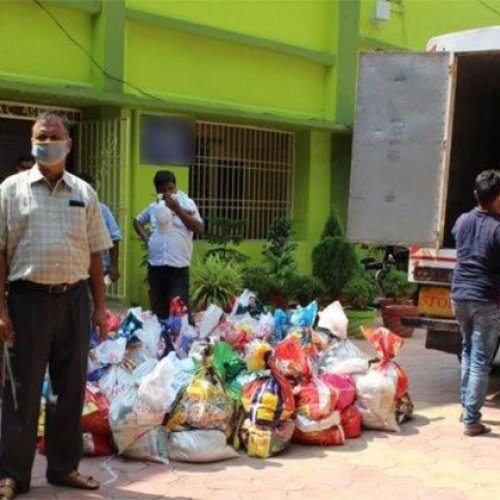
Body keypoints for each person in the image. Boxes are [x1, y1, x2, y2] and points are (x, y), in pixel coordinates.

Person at [0, 111, 112, 499]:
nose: (46, 141)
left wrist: (100, 308)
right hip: (26, 301)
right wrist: (1, 310)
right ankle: (12, 474)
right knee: (21, 393)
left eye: (53, 135)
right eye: (40, 136)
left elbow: (97, 254)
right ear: (32, 142)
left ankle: (63, 468)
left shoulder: (84, 193)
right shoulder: (10, 190)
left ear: (69, 143)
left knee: (69, 389)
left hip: (74, 301)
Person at [451, 169, 500, 437]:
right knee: (481, 359)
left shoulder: (462, 221)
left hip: (459, 297)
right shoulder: (497, 229)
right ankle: (471, 420)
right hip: (484, 300)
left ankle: (466, 409)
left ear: (475, 194)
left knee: (469, 353)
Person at [133, 170, 203, 319]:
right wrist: (147, 239)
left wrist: (177, 209)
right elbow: (137, 221)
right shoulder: (153, 207)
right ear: (157, 191)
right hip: (156, 264)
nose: (167, 193)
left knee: (178, 311)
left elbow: (199, 227)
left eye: (171, 189)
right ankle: (162, 339)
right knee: (159, 309)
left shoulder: (187, 204)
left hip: (177, 265)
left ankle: (181, 340)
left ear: (175, 187)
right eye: (163, 190)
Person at [77, 172, 122, 283]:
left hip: (99, 268)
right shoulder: (69, 210)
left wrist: (114, 266)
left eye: (91, 191)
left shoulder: (102, 210)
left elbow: (115, 237)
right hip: (75, 269)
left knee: (96, 297)